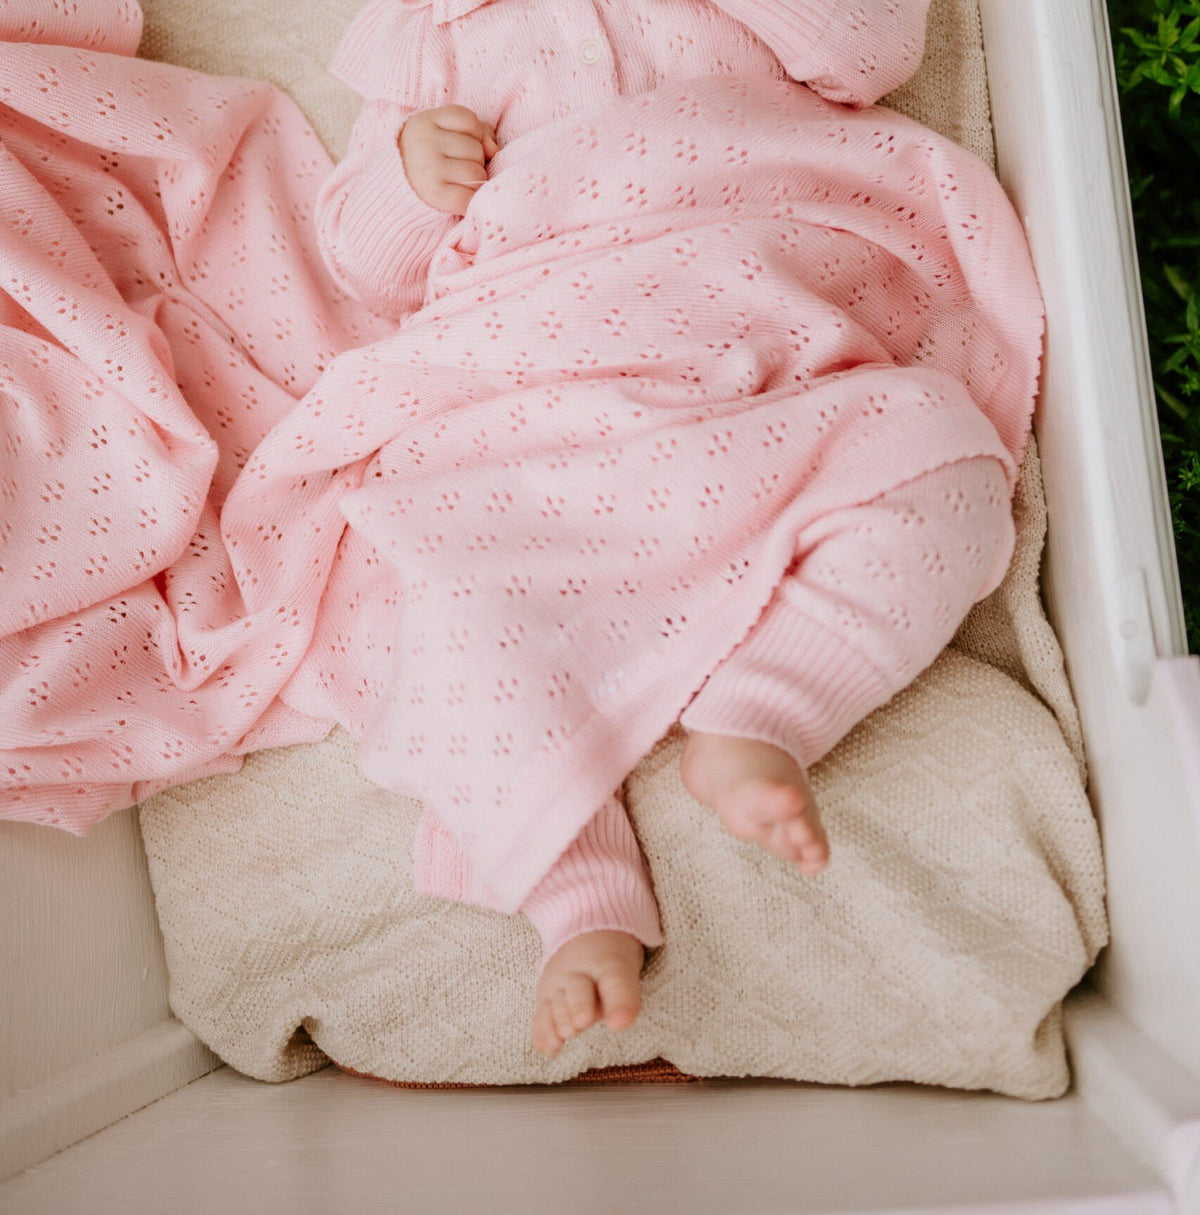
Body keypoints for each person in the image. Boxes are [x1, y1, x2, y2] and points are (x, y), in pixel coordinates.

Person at [314, 0, 1017, 1058]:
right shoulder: (434, 35)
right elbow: (364, 262)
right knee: (447, 605)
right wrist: (410, 182)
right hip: (533, 395)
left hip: (763, 357)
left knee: (946, 456)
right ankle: (579, 892)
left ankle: (765, 706)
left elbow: (870, 48)